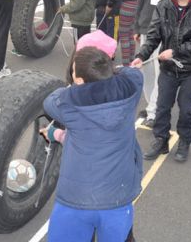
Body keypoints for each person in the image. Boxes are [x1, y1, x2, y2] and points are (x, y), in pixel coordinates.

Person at [42, 46, 143, 242]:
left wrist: (74, 88)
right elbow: (130, 71)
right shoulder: (133, 86)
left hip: (76, 199)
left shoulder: (68, 104)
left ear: (79, 80)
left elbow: (49, 101)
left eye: (73, 72)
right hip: (118, 197)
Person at [130, 0, 191, 162]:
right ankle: (161, 139)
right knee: (162, 106)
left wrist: (175, 51)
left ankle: (184, 140)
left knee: (186, 108)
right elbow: (153, 36)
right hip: (168, 69)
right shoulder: (164, 6)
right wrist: (141, 55)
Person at [133, 0, 181, 127]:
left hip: (166, 30)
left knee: (160, 71)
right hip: (146, 26)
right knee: (146, 71)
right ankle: (151, 104)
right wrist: (137, 27)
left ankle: (154, 112)